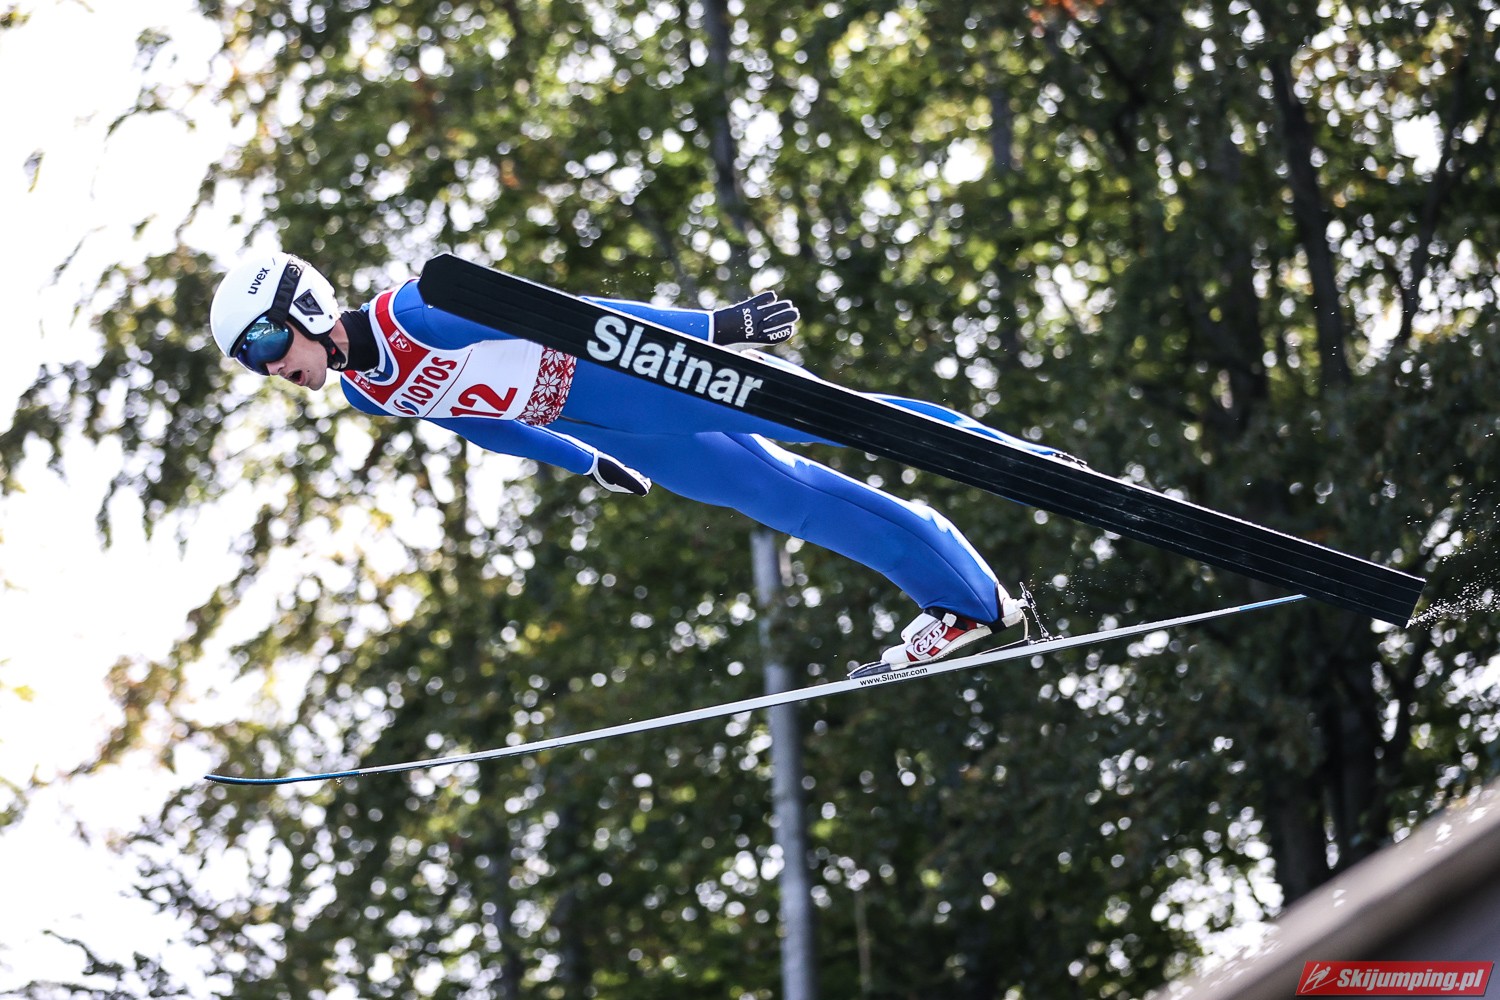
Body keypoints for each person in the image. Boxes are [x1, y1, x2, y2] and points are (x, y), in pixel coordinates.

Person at [209, 252, 1067, 668]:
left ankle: (1021, 458)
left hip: (639, 375)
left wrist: (713, 328)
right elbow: (485, 426)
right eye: (252, 362)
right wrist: (584, 461)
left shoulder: (420, 312)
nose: (271, 367)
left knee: (832, 421)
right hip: (613, 428)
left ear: (305, 306)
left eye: (269, 342)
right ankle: (965, 602)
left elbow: (579, 314)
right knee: (786, 499)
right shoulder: (371, 392)